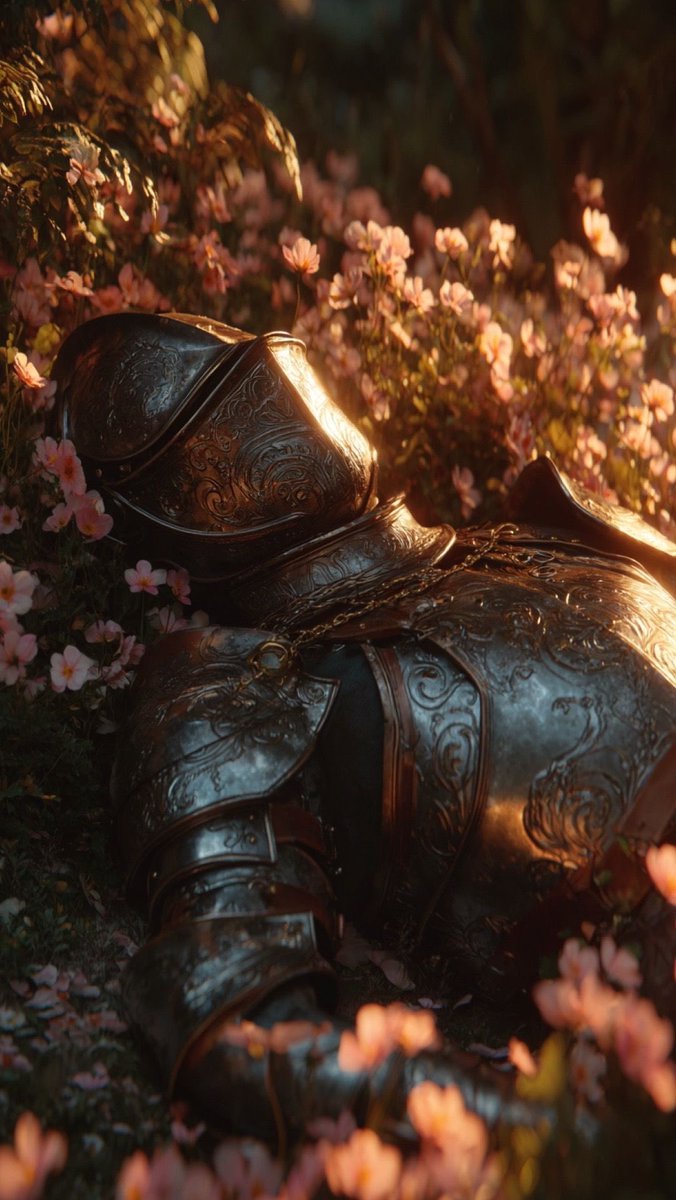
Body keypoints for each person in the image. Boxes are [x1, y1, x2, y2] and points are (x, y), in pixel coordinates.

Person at [53, 311, 676, 1140]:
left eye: (240, 344)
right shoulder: (233, 691)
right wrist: (538, 1130)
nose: (261, 377)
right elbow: (237, 1022)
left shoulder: (551, 526)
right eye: (204, 393)